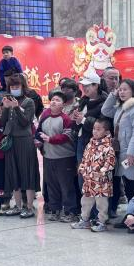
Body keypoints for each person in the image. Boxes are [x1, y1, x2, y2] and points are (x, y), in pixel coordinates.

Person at [101, 79, 134, 216]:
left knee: (133, 185)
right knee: (127, 183)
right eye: (120, 89)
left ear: (133, 91)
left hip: (132, 154)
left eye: (125, 89)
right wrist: (113, 94)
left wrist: (131, 153)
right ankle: (131, 216)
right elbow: (105, 110)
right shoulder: (121, 107)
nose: (122, 92)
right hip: (121, 152)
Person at [2, 74, 39, 218]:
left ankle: (29, 207)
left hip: (25, 141)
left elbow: (25, 122)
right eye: (12, 86)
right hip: (12, 140)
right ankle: (17, 206)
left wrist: (16, 107)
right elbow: (3, 123)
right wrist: (6, 108)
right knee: (13, 173)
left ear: (23, 86)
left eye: (17, 86)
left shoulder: (29, 102)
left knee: (27, 173)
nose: (14, 89)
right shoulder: (8, 100)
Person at [37, 91, 78, 222]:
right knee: (51, 185)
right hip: (48, 157)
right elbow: (38, 132)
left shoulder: (65, 119)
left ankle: (70, 212)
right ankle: (55, 210)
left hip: (64, 158)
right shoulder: (44, 116)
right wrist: (38, 141)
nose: (54, 102)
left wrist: (50, 139)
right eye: (53, 99)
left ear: (63, 105)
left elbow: (67, 136)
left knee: (66, 186)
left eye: (58, 100)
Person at [72, 117, 116, 232]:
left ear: (106, 132)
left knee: (102, 204)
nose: (95, 131)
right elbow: (84, 158)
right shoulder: (90, 144)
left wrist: (101, 173)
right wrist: (82, 168)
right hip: (88, 180)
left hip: (101, 182)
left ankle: (102, 222)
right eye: (94, 129)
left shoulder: (108, 147)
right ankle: (84, 220)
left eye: (98, 129)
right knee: (85, 201)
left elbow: (110, 163)